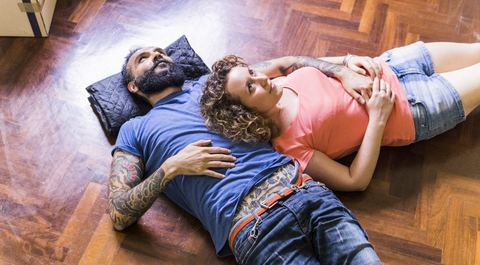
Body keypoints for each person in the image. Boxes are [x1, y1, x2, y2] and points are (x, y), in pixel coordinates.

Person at [108, 46, 385, 264]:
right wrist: (171, 168)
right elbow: (119, 213)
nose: (157, 55)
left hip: (307, 191)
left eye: (161, 52)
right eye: (144, 58)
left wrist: (342, 70)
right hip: (256, 229)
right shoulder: (134, 131)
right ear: (134, 86)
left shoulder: (212, 86)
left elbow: (282, 65)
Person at [200, 42, 480, 192]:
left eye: (252, 72)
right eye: (251, 86)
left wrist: (345, 64)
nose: (261, 78)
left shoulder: (277, 84)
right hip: (414, 108)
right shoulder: (290, 147)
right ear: (243, 113)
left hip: (393, 63)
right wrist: (378, 118)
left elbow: (291, 63)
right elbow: (353, 181)